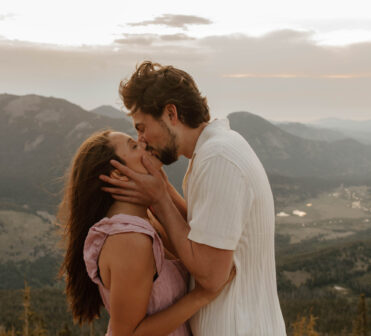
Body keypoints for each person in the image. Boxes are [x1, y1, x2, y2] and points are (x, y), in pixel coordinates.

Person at [100, 61, 286, 335]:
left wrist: (161, 199)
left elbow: (211, 276)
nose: (141, 139)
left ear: (171, 113)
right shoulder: (214, 151)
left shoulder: (218, 159)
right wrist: (161, 189)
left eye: (142, 127)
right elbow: (205, 235)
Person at [57, 129, 234, 336]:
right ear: (118, 174)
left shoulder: (146, 221)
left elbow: (195, 241)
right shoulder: (129, 240)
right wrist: (202, 295)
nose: (143, 143)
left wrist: (162, 189)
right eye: (134, 146)